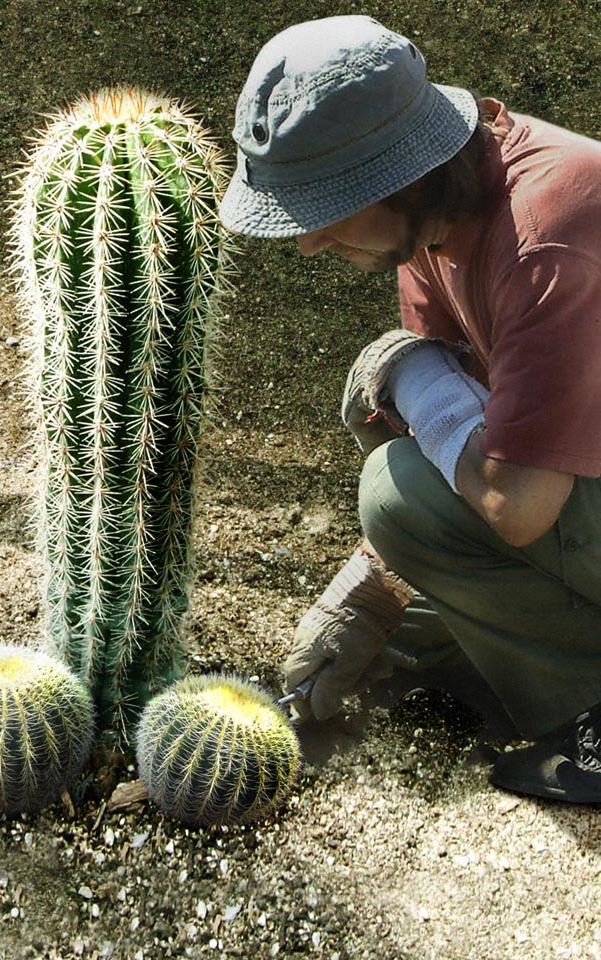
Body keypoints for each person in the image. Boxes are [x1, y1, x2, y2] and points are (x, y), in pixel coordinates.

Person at [219, 14, 601, 803]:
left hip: (554, 486)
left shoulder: (548, 236)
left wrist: (383, 553)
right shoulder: (439, 219)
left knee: (400, 487)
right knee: (390, 405)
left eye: (322, 208)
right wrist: (378, 586)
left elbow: (515, 502)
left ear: (403, 179)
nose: (307, 244)